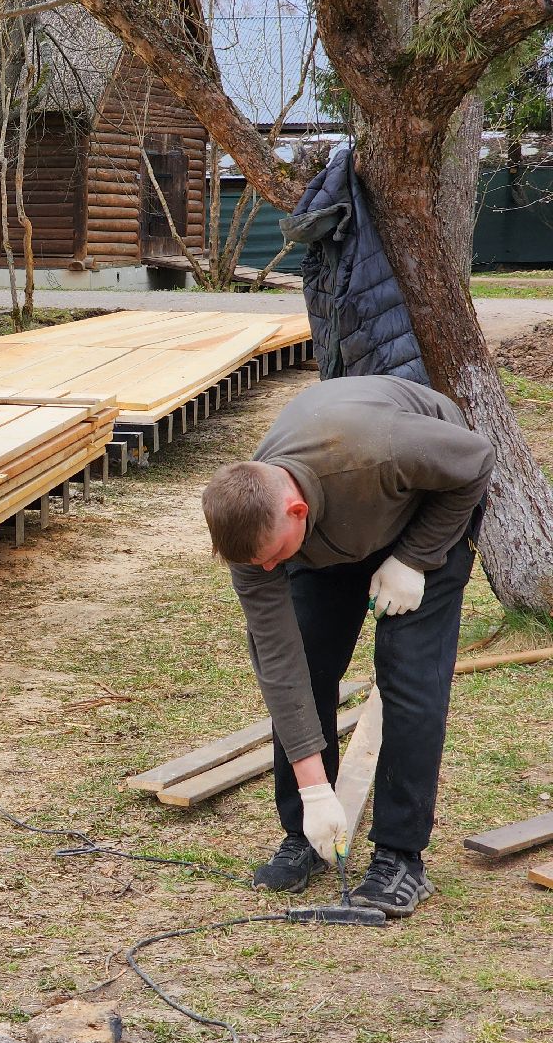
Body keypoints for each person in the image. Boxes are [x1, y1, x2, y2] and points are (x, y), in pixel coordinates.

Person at [201, 375, 493, 917]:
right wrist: (314, 791)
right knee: (308, 668)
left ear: (295, 511)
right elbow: (281, 669)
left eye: (272, 557)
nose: (267, 570)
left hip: (425, 511)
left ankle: (400, 856)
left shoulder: (375, 449)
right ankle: (305, 838)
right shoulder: (255, 547)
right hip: (327, 538)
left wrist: (415, 558)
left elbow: (475, 460)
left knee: (408, 676)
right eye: (257, 564)